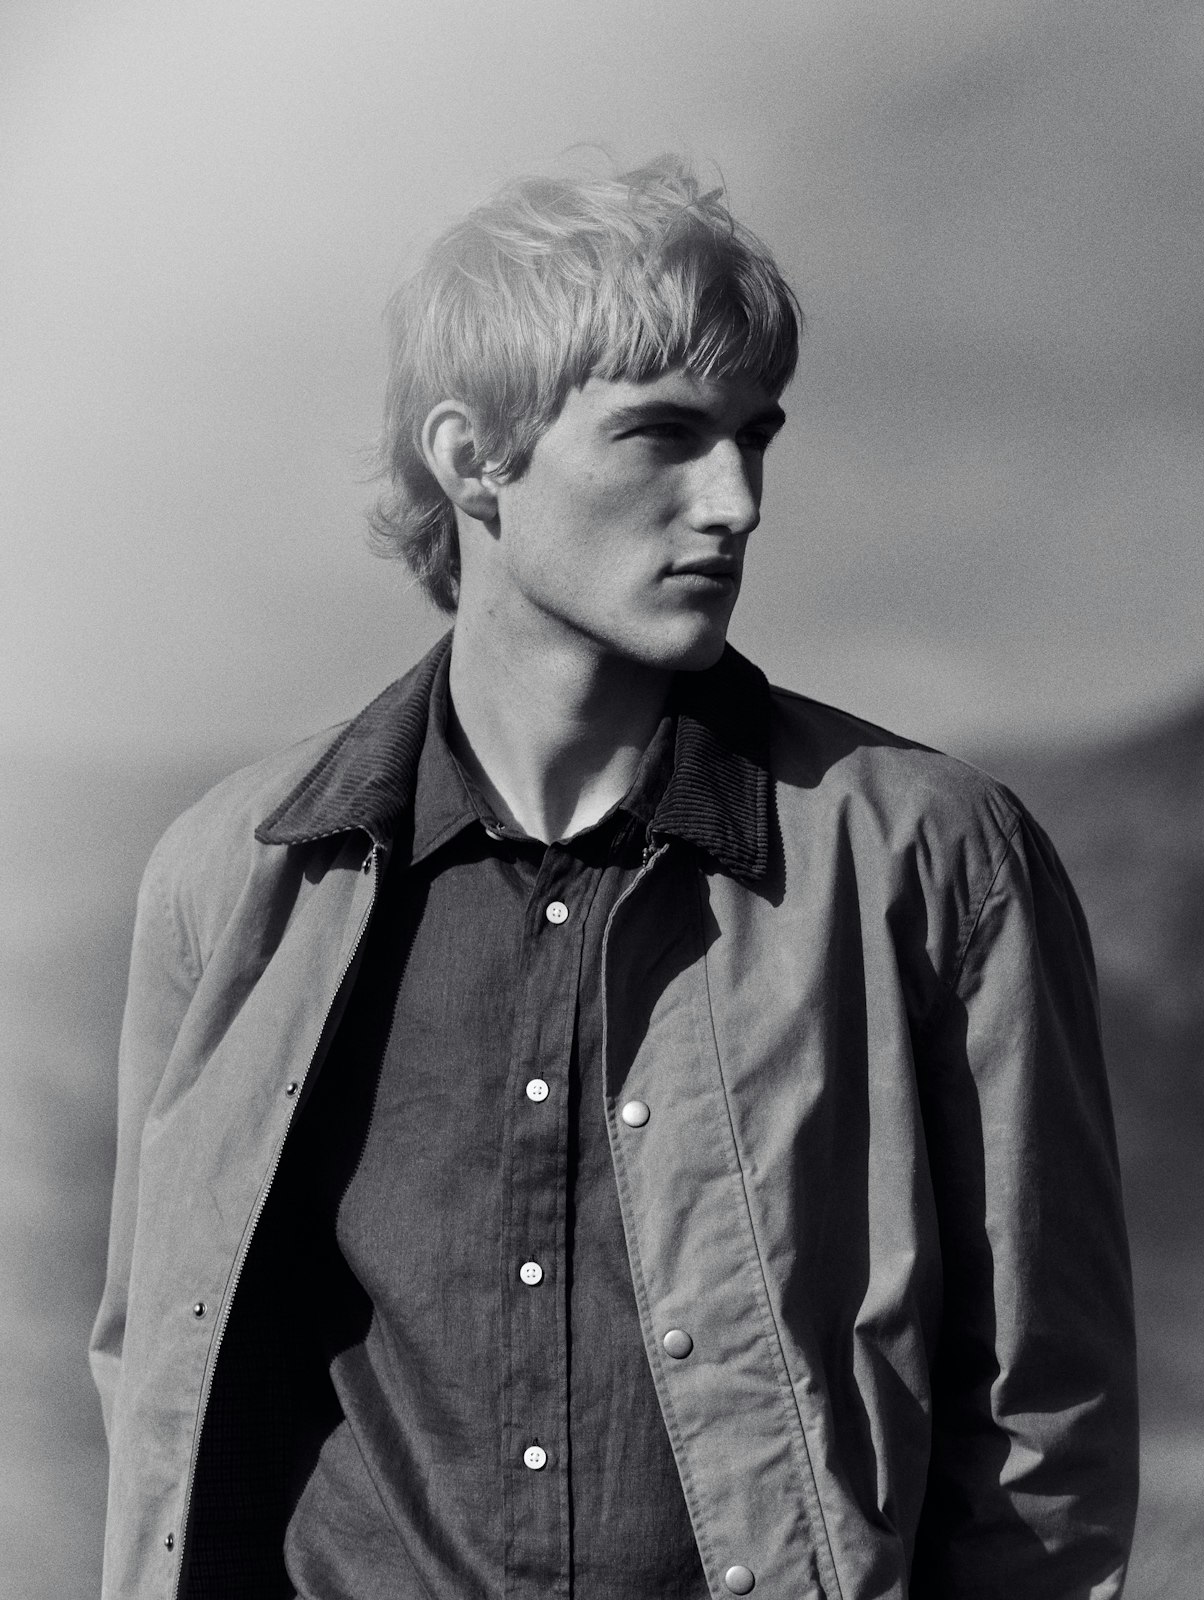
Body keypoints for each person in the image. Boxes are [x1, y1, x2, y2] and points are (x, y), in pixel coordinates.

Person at [91, 157, 1138, 1600]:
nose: (737, 500)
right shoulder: (235, 879)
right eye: (663, 435)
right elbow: (157, 1371)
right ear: (473, 461)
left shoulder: (931, 862)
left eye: (754, 436)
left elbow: (1041, 1426)